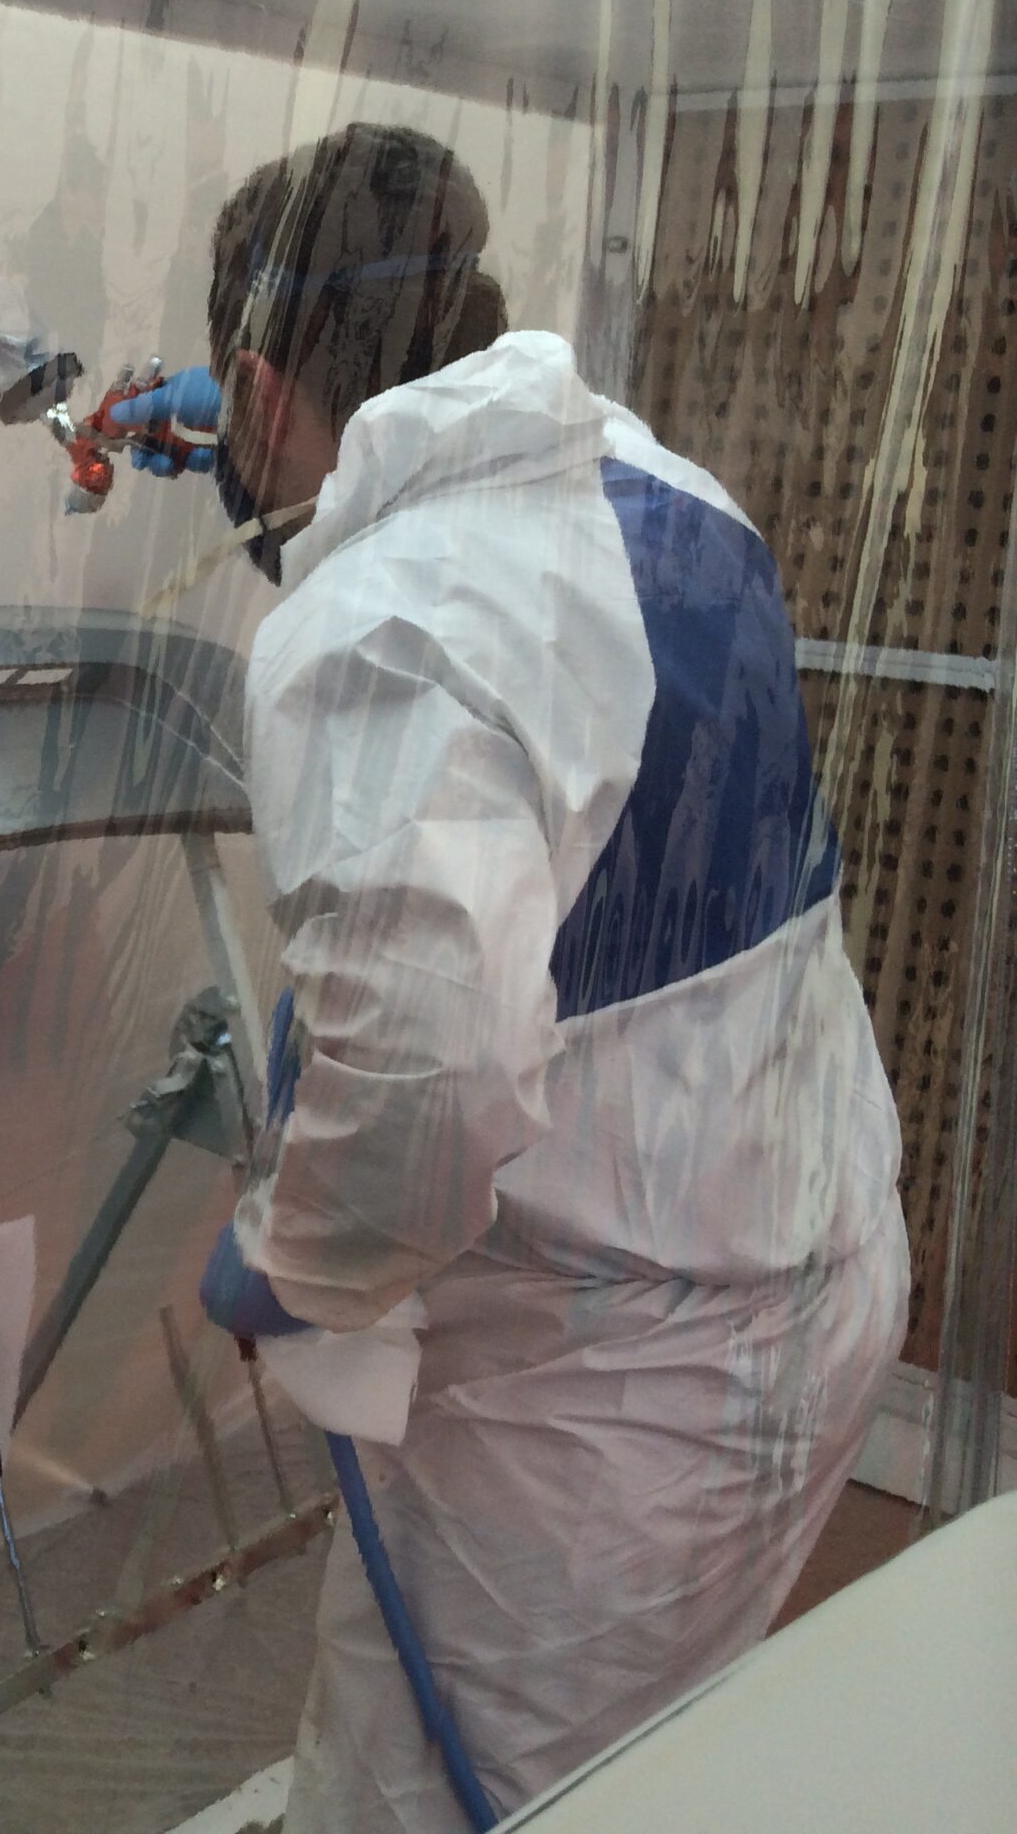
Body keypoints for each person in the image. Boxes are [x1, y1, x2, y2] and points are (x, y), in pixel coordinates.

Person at [112, 124, 910, 1832]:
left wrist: (292, 1261)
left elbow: (432, 1091)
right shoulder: (668, 495)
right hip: (815, 1266)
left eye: (241, 408)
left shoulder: (376, 631)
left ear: (266, 383)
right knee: (661, 1763)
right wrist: (257, 442)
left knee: (428, 1793)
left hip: (608, 1423)